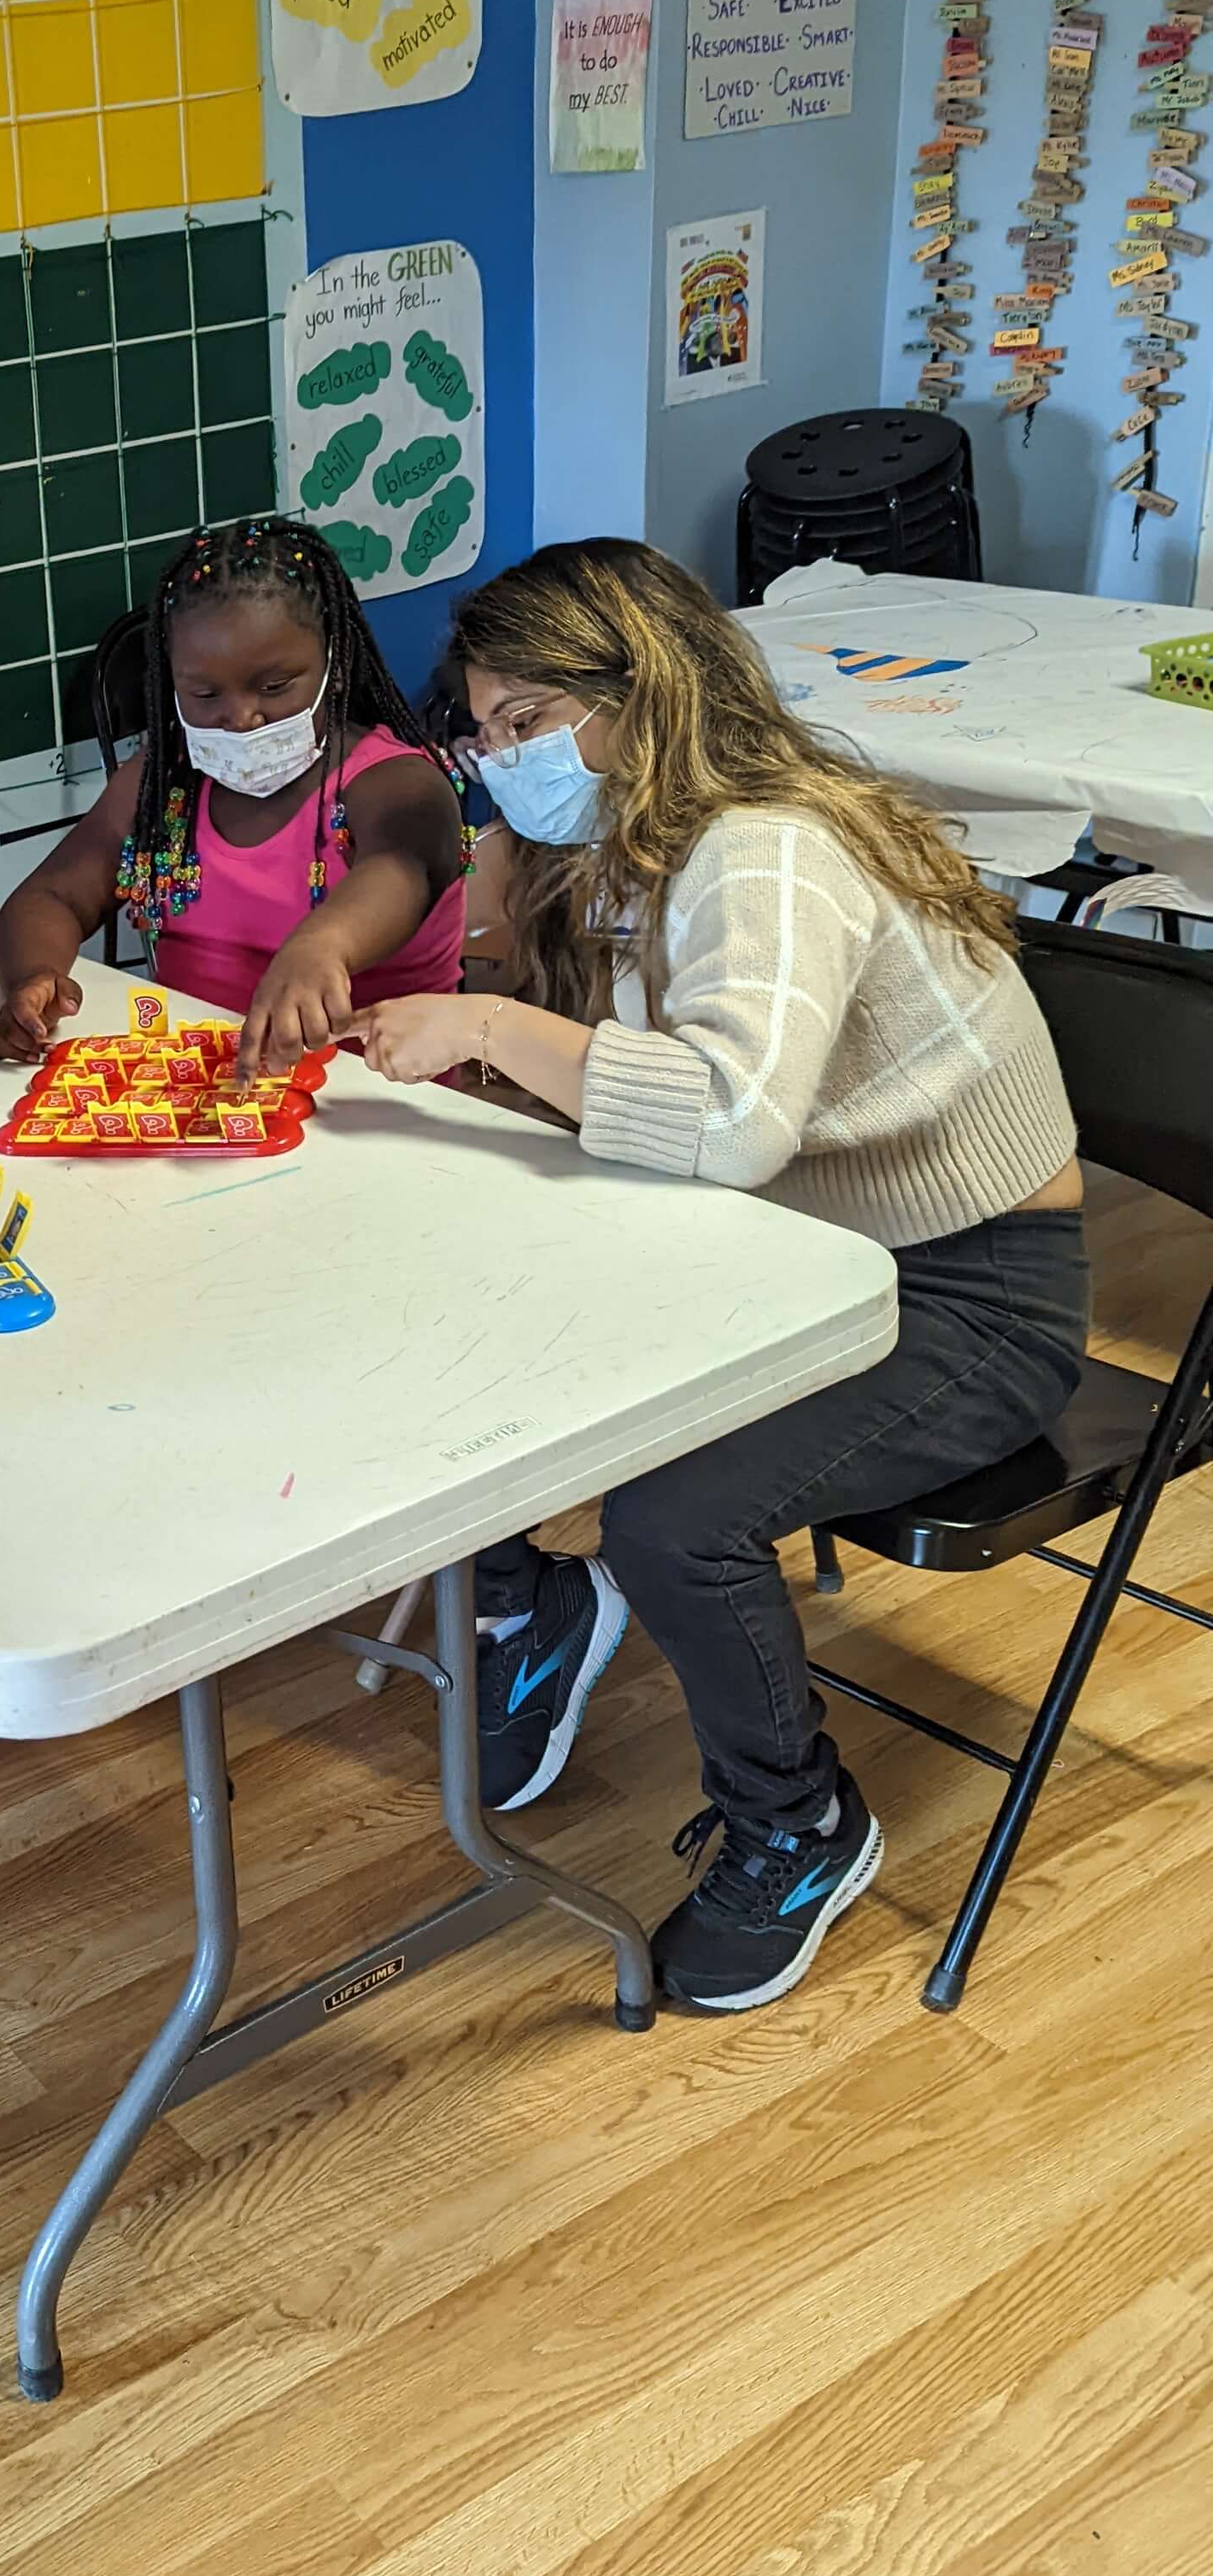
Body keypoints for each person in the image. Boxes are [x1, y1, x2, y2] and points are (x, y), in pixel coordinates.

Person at [344, 541, 1087, 2015]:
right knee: (466, 1316)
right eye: (483, 731)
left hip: (968, 1292)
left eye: (527, 721)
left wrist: (494, 1030)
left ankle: (797, 1825)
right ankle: (528, 1599)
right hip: (799, 1256)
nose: (502, 761)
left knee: (672, 1519)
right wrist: (496, 995)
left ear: (643, 690)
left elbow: (733, 1120)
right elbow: (650, 1108)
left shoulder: (768, 847)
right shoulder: (630, 841)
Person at [0, 516, 466, 1075]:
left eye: (274, 687)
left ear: (334, 667)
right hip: (205, 1094)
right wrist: (34, 979)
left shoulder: (400, 785)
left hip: (376, 1106)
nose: (240, 718)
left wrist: (322, 946)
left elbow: (402, 871)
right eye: (205, 693)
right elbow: (55, 897)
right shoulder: (162, 785)